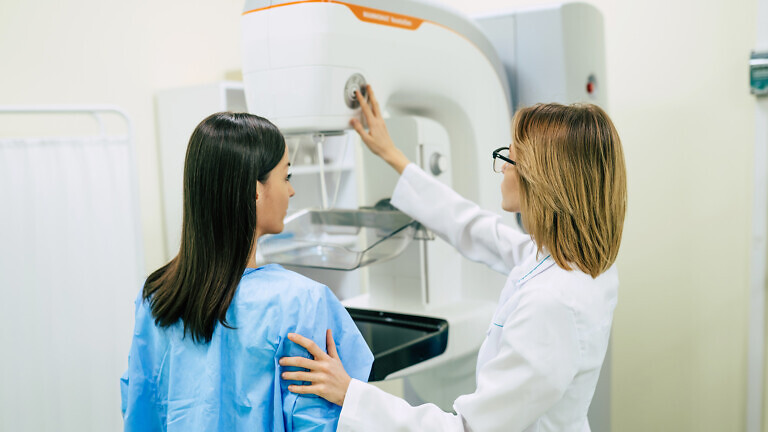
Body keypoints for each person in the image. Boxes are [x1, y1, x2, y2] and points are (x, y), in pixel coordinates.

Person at [279, 86, 627, 431]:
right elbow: (478, 230)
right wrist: (392, 155)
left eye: (511, 156)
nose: (502, 165)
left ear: (542, 180)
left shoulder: (551, 302)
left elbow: (466, 429)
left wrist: (350, 394)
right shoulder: (582, 260)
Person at [120, 112, 373, 431]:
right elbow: (320, 422)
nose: (291, 192)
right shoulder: (301, 302)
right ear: (255, 190)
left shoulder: (156, 297)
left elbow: (139, 410)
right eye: (286, 176)